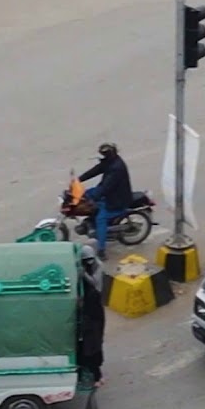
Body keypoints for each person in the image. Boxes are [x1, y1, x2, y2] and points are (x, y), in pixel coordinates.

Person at [77, 142, 133, 261]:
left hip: (117, 199)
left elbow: (106, 188)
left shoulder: (117, 168)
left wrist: (94, 197)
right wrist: (79, 180)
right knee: (85, 194)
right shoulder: (110, 162)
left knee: (100, 219)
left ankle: (101, 250)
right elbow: (96, 170)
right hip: (110, 193)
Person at [76, 255, 106, 388]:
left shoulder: (97, 271)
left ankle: (97, 376)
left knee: (91, 349)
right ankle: (95, 374)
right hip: (93, 323)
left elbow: (94, 283)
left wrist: (84, 275)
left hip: (92, 324)